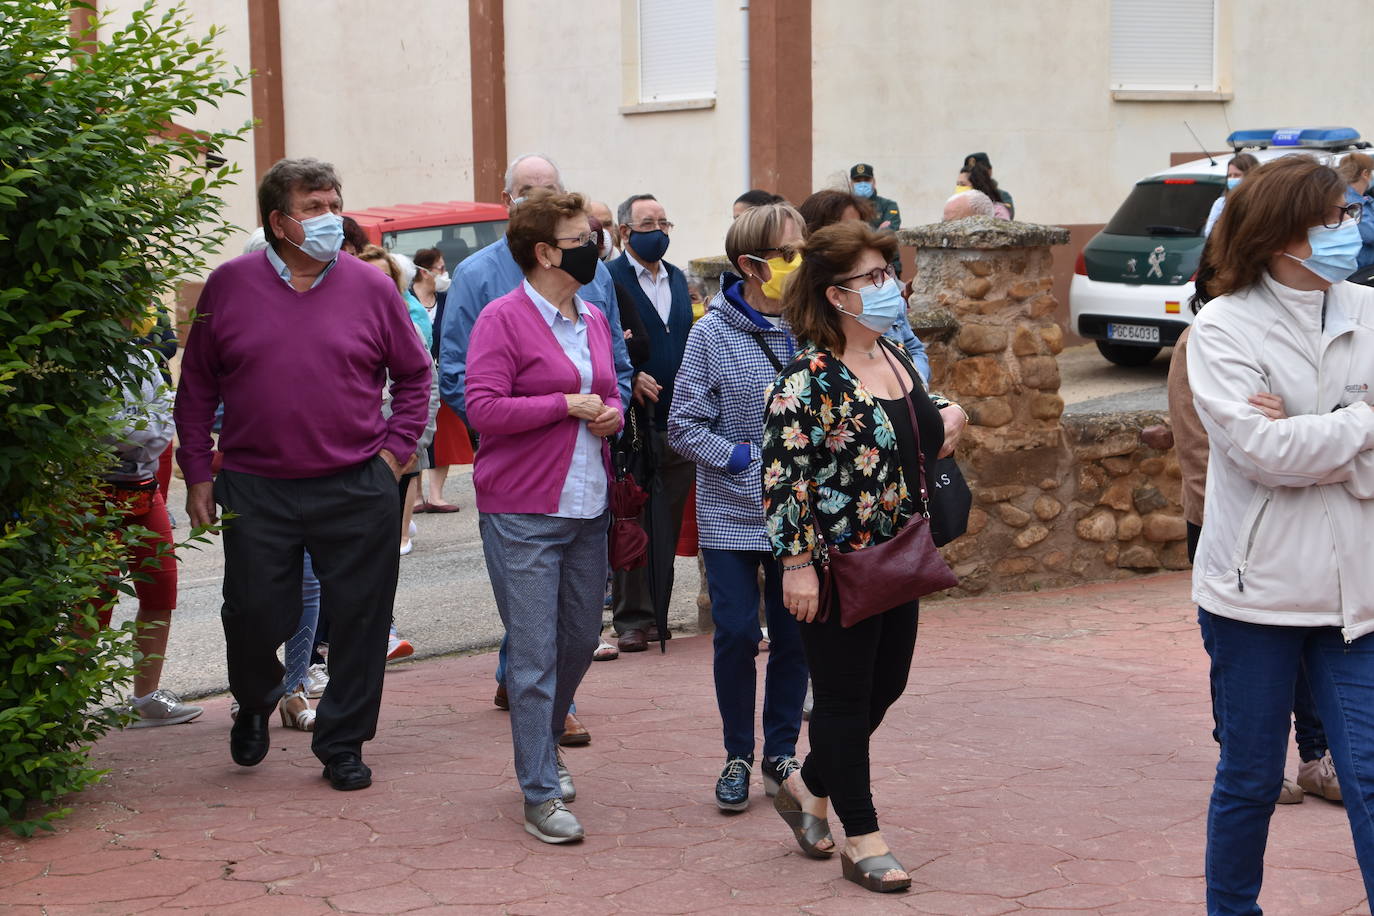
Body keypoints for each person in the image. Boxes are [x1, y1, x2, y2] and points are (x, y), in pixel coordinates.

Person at [175, 157, 431, 791]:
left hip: (355, 483)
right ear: (277, 222)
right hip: (257, 486)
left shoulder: (372, 288)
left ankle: (342, 742)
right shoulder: (228, 286)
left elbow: (416, 375)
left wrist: (394, 455)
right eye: (314, 207)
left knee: (361, 619)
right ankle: (256, 698)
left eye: (334, 203)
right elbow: (198, 384)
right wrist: (197, 471)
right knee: (254, 612)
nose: (330, 218)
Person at [1186, 154, 1374, 912]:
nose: (1349, 228)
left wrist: (1320, 434)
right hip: (1253, 598)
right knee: (1252, 778)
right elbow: (1262, 455)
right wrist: (1362, 431)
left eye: (1351, 212)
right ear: (1278, 236)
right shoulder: (1222, 328)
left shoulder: (1368, 312)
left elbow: (1288, 450)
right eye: (1332, 218)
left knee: (1368, 772)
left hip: (1356, 595)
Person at [762, 221, 966, 894]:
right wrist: (795, 566)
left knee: (886, 688)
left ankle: (808, 780)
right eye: (871, 279)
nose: (888, 288)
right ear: (833, 295)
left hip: (899, 555)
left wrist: (945, 414)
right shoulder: (806, 382)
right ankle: (862, 836)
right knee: (846, 702)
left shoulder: (896, 360)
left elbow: (913, 434)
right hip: (832, 566)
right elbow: (784, 477)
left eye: (888, 274)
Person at [465, 189, 622, 844]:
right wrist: (567, 405)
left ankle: (545, 740)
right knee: (532, 654)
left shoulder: (589, 317)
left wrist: (609, 413)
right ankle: (537, 789)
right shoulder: (502, 319)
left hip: (588, 505)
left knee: (580, 639)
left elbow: (607, 391)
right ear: (545, 250)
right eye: (581, 236)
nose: (594, 246)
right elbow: (483, 410)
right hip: (523, 511)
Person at [1170, 253, 1338, 808]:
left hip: (1303, 518)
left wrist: (1302, 425)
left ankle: (1316, 756)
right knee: (1237, 655)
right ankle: (1244, 756)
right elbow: (1226, 443)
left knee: (1312, 642)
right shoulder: (1206, 340)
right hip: (1222, 519)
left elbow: (1308, 428)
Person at [669, 202, 810, 812]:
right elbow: (683, 425)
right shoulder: (711, 332)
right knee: (733, 635)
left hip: (801, 517)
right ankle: (736, 755)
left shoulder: (816, 324)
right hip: (730, 513)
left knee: (795, 638)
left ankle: (781, 753)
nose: (797, 261)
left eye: (801, 249)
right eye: (786, 253)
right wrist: (746, 463)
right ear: (750, 264)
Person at [439, 153, 632, 421]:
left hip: (591, 447)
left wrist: (613, 417)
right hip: (523, 451)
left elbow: (618, 365)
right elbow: (456, 376)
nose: (540, 201)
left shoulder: (596, 272)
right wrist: (528, 430)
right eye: (526, 192)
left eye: (549, 191)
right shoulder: (474, 276)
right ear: (507, 201)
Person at [605, 193, 695, 653]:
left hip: (680, 421)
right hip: (635, 425)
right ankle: (631, 620)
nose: (658, 229)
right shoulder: (609, 278)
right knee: (632, 518)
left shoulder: (679, 280)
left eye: (664, 221)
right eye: (647, 222)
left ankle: (659, 612)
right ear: (625, 231)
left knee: (667, 521)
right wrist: (629, 373)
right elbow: (601, 339)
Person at [99, 341, 201, 728]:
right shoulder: (84, 355)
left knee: (161, 589)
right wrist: (142, 436)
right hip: (91, 489)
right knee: (93, 599)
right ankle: (65, 706)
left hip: (142, 484)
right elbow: (104, 432)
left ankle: (145, 698)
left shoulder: (139, 355)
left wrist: (141, 436)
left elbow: (163, 421)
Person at [799, 189, 930, 383]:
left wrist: (916, 381)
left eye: (860, 227)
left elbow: (913, 347)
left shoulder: (893, 347)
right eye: (845, 230)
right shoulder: (809, 374)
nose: (857, 237)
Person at [412, 247, 471, 513]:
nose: (443, 273)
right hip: (416, 375)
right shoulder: (407, 299)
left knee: (446, 433)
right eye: (439, 268)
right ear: (424, 271)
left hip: (443, 373)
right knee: (416, 432)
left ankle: (436, 495)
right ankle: (415, 496)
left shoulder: (447, 300)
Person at [848, 163, 903, 275]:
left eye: (866, 180)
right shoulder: (845, 207)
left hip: (887, 266)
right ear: (851, 184)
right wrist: (877, 231)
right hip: (853, 267)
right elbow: (843, 236)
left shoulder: (888, 205)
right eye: (858, 181)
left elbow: (888, 234)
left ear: (874, 182)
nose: (862, 184)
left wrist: (859, 235)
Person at [1204, 152, 1259, 236]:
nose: (1232, 179)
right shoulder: (1221, 203)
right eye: (1229, 175)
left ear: (1251, 176)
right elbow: (1209, 233)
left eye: (1237, 175)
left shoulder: (1262, 202)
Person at [1337, 152, 1374, 272]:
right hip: (1362, 270)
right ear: (1365, 174)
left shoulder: (1363, 199)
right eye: (1372, 172)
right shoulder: (1351, 203)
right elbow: (1369, 235)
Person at [962, 152, 1014, 218]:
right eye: (971, 173)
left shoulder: (1003, 196)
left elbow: (1005, 221)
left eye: (980, 172)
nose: (976, 176)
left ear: (990, 171)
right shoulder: (961, 196)